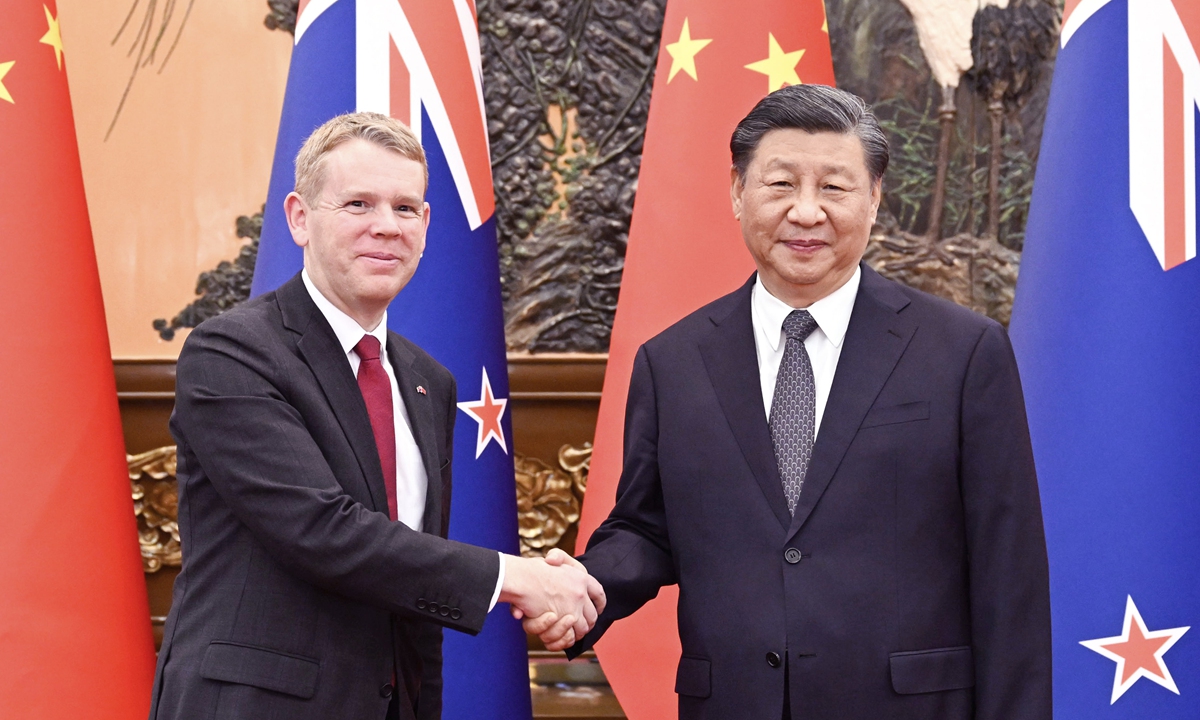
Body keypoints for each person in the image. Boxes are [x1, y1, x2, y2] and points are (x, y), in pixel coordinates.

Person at [538, 85, 1052, 719]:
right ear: (737, 192)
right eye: (780, 184)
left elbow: (1010, 573)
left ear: (875, 196)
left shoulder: (965, 352)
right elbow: (647, 529)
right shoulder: (672, 362)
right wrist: (584, 587)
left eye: (834, 188)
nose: (806, 212)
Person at [149, 112, 602, 720]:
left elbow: (410, 589)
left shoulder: (427, 381)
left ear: (426, 223)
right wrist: (514, 578)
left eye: (406, 207)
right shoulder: (231, 352)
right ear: (299, 218)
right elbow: (320, 530)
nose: (386, 227)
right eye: (358, 204)